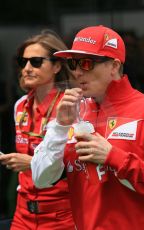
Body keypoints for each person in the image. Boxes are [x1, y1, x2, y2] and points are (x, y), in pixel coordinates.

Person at [31, 25, 144, 230]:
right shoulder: (71, 113)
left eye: (86, 63)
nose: (77, 72)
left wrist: (113, 156)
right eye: (72, 63)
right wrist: (60, 127)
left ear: (114, 66)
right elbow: (41, 178)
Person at [0, 30, 75, 229]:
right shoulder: (20, 105)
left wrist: (32, 163)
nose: (26, 68)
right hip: (22, 213)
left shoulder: (72, 106)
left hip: (62, 215)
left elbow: (78, 165)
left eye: (35, 62)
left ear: (57, 66)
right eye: (22, 62)